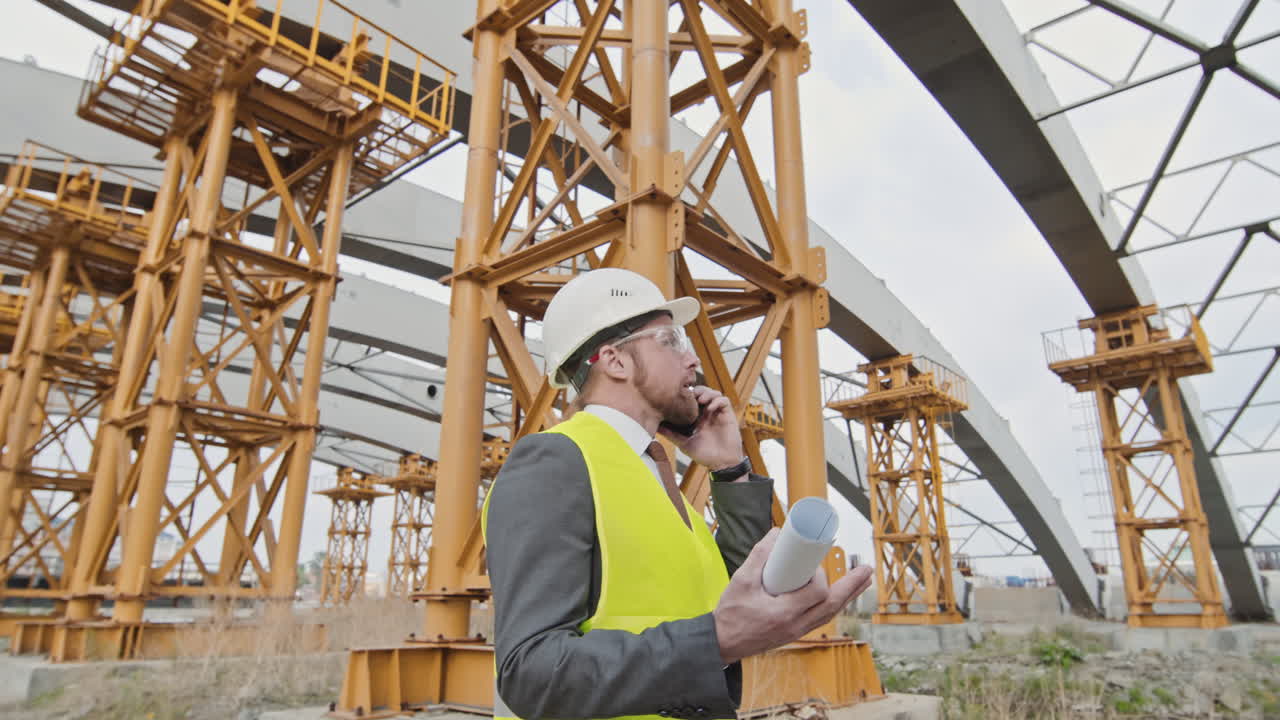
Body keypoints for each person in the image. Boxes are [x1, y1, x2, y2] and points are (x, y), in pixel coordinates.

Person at [482, 268, 872, 720]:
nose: (692, 360)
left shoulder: (654, 481)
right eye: (671, 341)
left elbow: (722, 595)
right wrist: (717, 642)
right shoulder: (554, 462)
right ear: (615, 361)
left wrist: (730, 470)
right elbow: (531, 671)